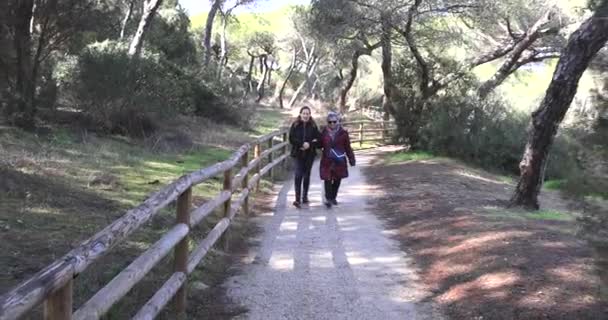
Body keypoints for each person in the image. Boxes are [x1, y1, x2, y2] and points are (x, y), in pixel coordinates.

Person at [319, 111, 355, 208]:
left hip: (339, 160)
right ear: (327, 122)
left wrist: (351, 159)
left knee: (337, 179)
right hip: (327, 160)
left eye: (334, 121)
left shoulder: (343, 133)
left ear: (337, 121)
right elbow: (319, 144)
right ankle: (328, 199)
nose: (332, 124)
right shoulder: (324, 132)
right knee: (327, 179)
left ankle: (333, 197)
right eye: (330, 122)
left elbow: (348, 147)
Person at [289, 106, 320, 208]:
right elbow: (291, 138)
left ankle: (305, 196)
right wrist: (302, 144)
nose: (306, 115)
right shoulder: (295, 125)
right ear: (300, 114)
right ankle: (297, 199)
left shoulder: (313, 126)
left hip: (309, 154)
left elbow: (318, 139)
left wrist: (310, 144)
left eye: (307, 113)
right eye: (304, 113)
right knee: (298, 175)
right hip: (298, 154)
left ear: (310, 115)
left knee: (306, 175)